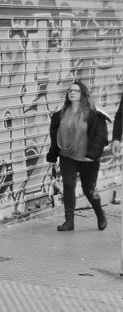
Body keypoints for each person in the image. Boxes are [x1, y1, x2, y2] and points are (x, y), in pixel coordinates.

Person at [46, 79, 109, 232]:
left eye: (76, 91)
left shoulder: (94, 114)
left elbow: (101, 136)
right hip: (67, 156)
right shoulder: (60, 115)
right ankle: (69, 221)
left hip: (88, 158)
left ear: (83, 94)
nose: (72, 93)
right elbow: (56, 136)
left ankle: (100, 214)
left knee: (89, 190)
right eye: (70, 91)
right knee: (68, 186)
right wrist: (53, 154)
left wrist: (93, 153)